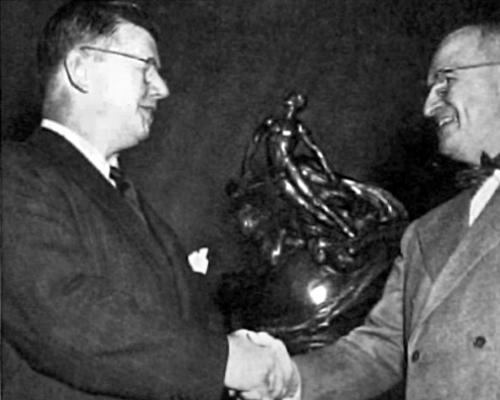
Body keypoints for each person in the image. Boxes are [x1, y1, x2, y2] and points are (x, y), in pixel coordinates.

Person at [1, 1, 299, 399]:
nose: (162, 88)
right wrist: (227, 362)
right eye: (145, 67)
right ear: (81, 68)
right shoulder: (14, 174)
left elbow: (179, 337)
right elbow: (62, 316)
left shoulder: (136, 207)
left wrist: (244, 358)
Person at [294, 23, 500, 400]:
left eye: (445, 81)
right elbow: (380, 351)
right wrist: (282, 377)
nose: (428, 106)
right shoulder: (425, 233)